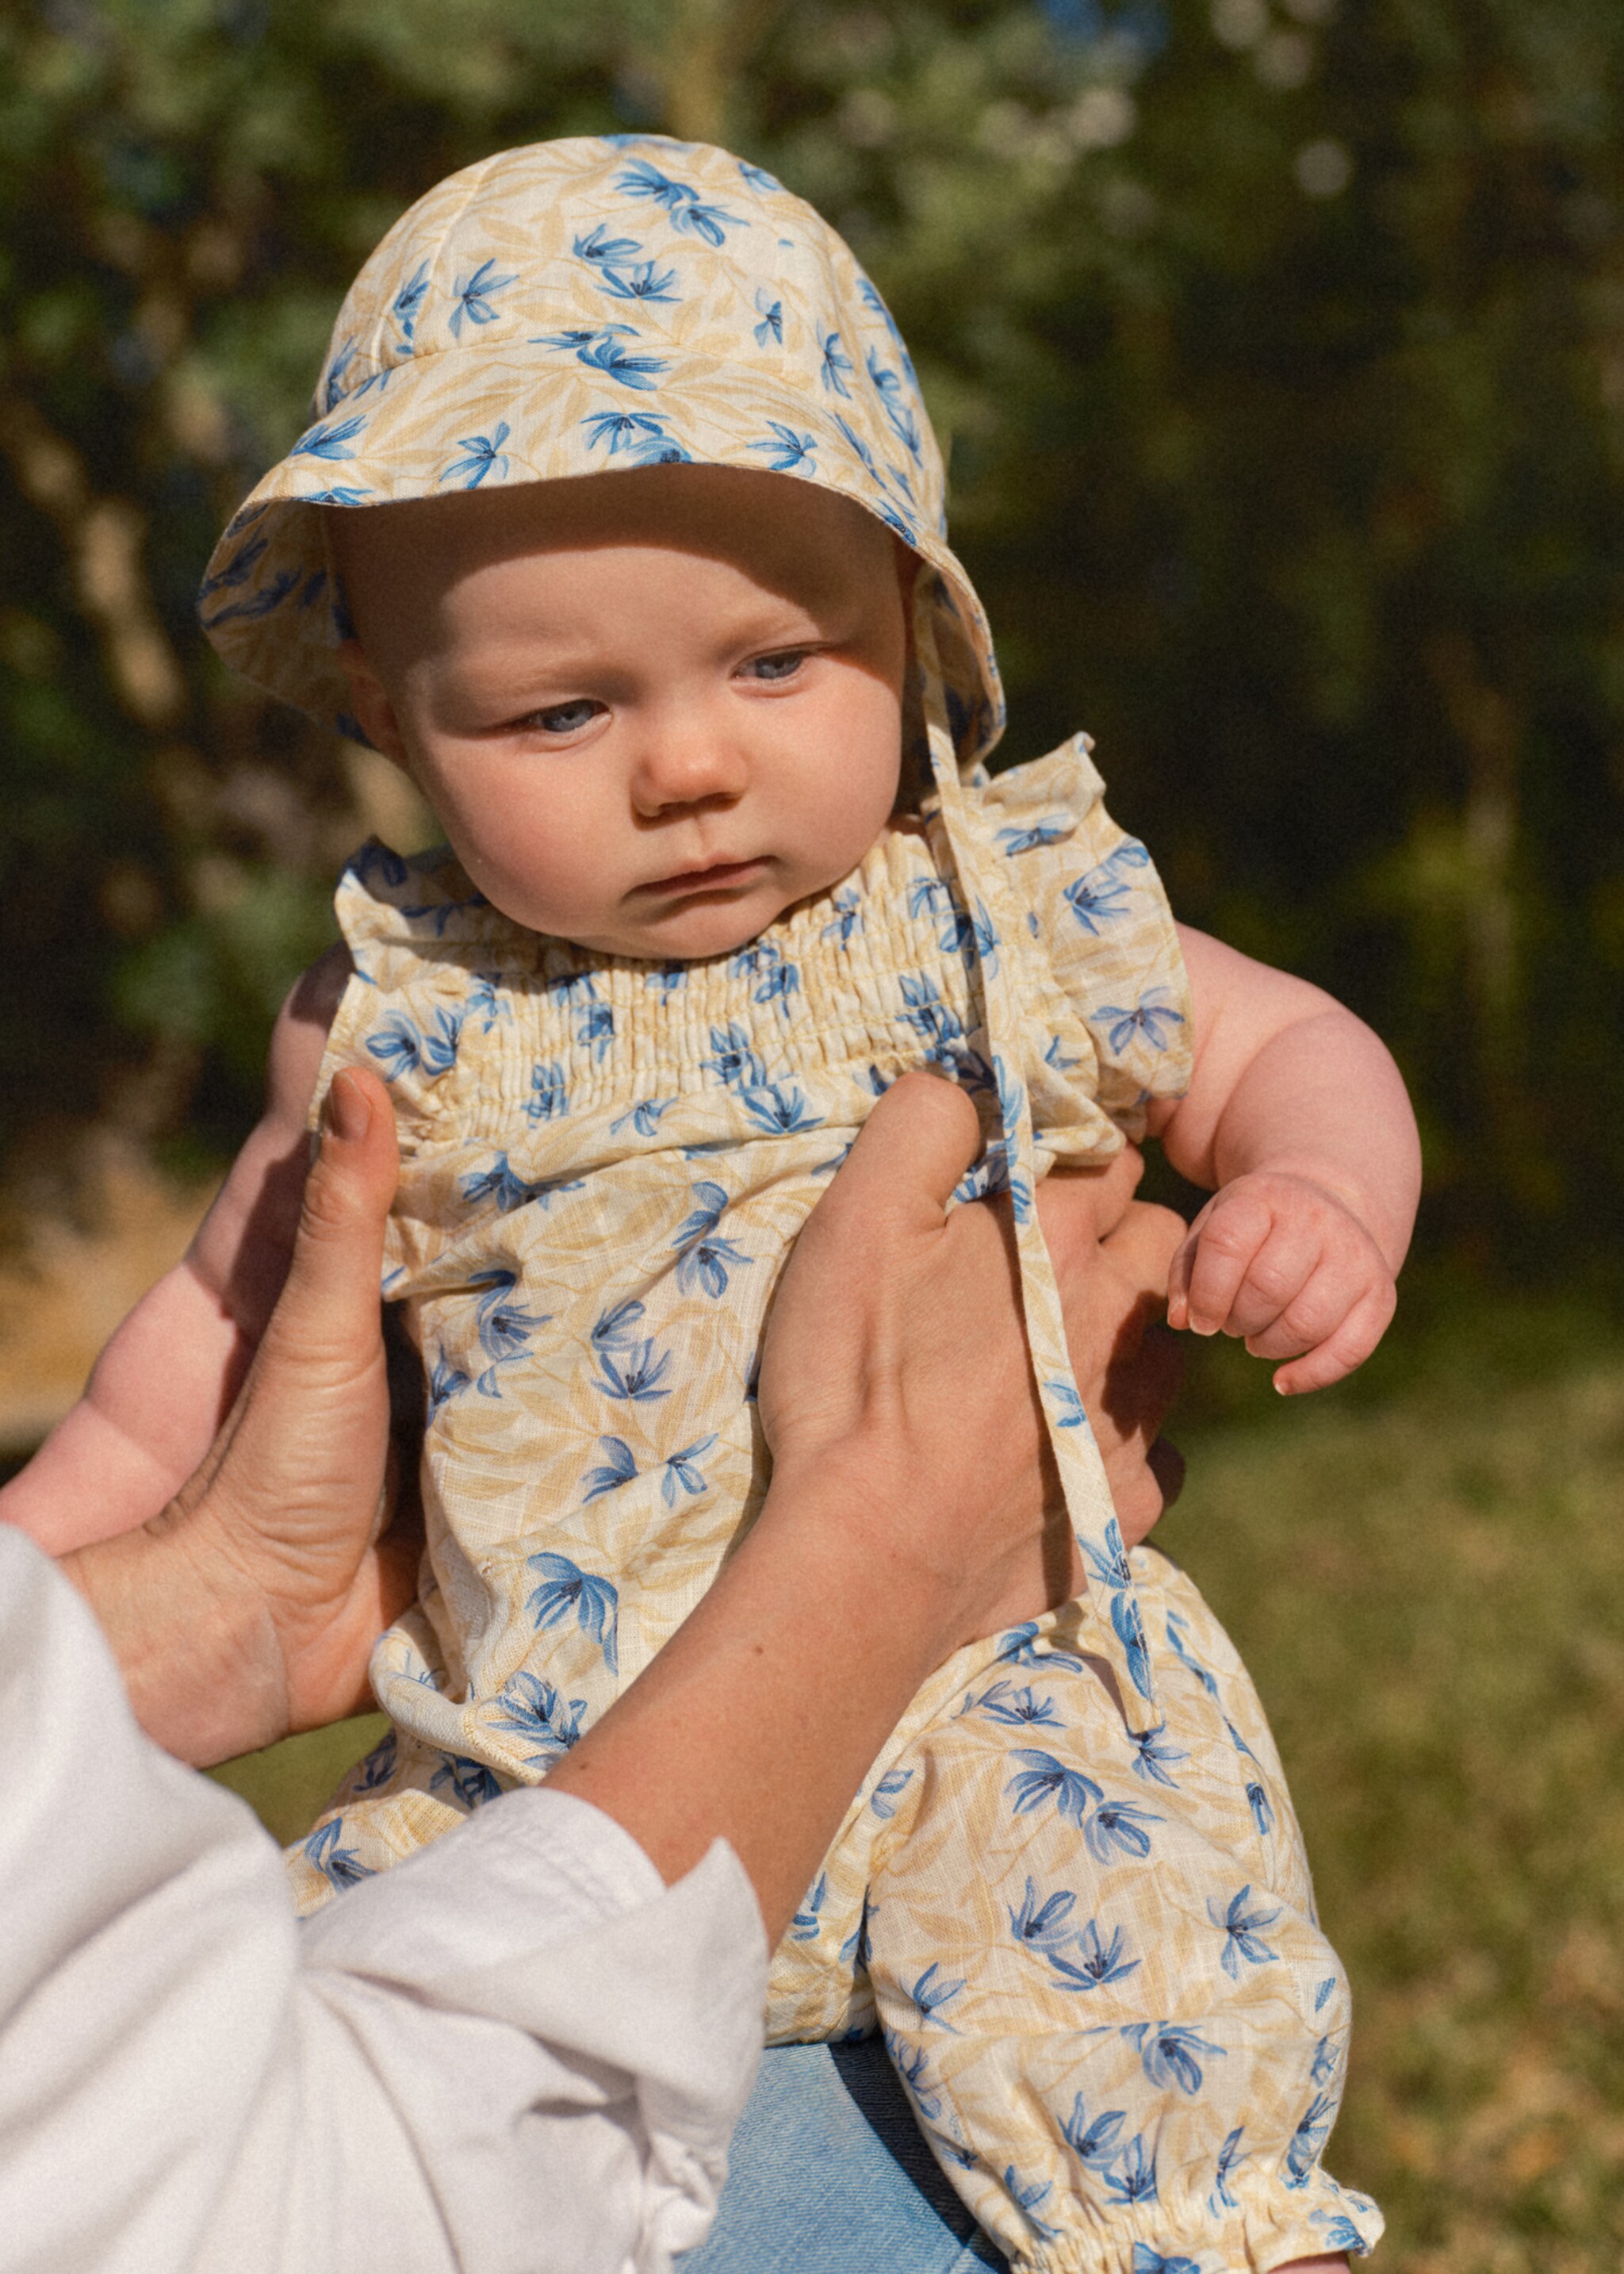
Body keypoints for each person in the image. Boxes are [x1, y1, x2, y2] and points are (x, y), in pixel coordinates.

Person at [2, 139, 1414, 2270]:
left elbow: (1276, 1039)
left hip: (990, 1703)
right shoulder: (400, 1022)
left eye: (777, 663)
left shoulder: (985, 910)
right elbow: (189, 1358)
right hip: (532, 1761)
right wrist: (36, 1600)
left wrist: (1320, 1191)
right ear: (393, 720)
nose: (687, 765)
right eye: (563, 708)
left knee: (1129, 1967)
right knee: (295, 2008)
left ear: (913, 631)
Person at [3, 1063, 1189, 2272]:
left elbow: (1236, 1040)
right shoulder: (406, 1003)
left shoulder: (984, 900)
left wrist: (197, 1605)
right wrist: (903, 1520)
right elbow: (346, 2210)